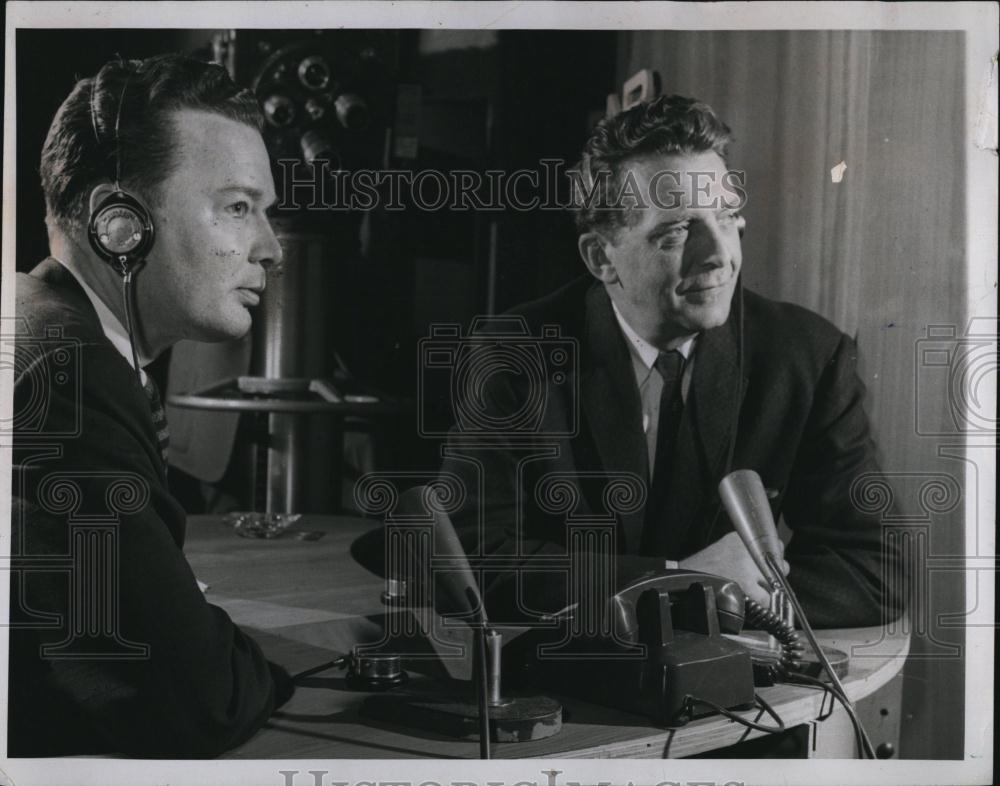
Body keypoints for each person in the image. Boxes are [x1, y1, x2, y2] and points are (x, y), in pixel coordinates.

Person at [438, 95, 903, 630]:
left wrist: (720, 599)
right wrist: (679, 580)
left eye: (726, 218)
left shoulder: (809, 356)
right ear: (601, 258)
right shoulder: (514, 356)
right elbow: (466, 561)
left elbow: (876, 572)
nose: (718, 255)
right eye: (677, 231)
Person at [9, 54, 289, 757]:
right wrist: (252, 664)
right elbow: (196, 701)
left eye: (266, 213)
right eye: (237, 207)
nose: (272, 248)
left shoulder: (46, 327)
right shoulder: (68, 376)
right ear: (119, 224)